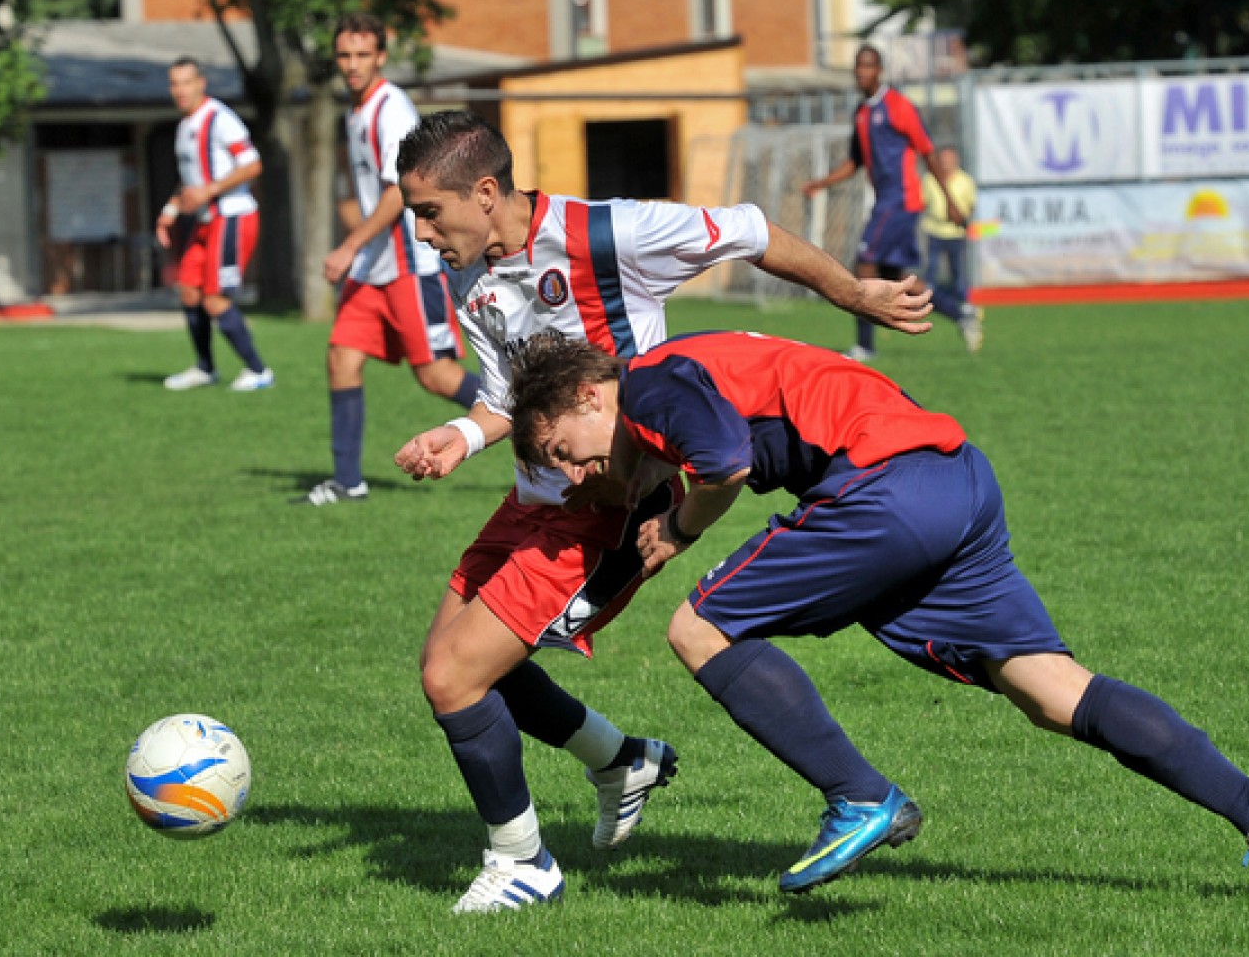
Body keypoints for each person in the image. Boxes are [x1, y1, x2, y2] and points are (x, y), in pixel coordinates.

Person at [505, 329, 1249, 905]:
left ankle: (859, 796)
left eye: (563, 450)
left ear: (588, 393)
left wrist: (681, 529)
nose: (574, 471)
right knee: (1049, 691)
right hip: (956, 476)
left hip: (884, 485)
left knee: (699, 628)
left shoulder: (650, 383)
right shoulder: (687, 372)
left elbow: (724, 460)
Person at [388, 110, 937, 913]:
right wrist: (461, 435)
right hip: (529, 496)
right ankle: (620, 760)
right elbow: (508, 393)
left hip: (606, 507)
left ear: (483, 191)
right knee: (452, 666)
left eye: (429, 212)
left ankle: (522, 864)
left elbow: (749, 230)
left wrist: (852, 293)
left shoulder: (607, 236)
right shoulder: (469, 269)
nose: (423, 232)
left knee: (455, 678)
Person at [294, 14, 482, 506]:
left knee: (437, 377)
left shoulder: (390, 109)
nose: (351, 65)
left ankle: (539, 419)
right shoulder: (355, 111)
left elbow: (400, 194)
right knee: (341, 359)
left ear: (380, 56)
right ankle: (348, 481)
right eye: (344, 55)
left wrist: (349, 244)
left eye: (361, 55)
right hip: (373, 268)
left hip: (406, 264)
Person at [802, 44, 983, 359]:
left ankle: (865, 346)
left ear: (880, 70)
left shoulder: (898, 106)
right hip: (886, 202)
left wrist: (951, 201)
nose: (862, 72)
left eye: (868, 66)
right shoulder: (862, 113)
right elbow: (854, 163)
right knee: (898, 279)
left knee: (864, 266)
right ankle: (961, 314)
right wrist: (821, 183)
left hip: (900, 201)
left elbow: (927, 150)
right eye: (858, 66)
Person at [156, 57, 274, 392]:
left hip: (233, 215)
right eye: (174, 83)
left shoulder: (219, 118)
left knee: (216, 300)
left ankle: (258, 370)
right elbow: (190, 181)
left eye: (186, 82)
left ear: (200, 83)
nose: (180, 90)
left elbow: (252, 165)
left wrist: (210, 190)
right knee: (189, 291)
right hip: (207, 219)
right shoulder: (185, 127)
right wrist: (171, 208)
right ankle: (205, 368)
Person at [921, 146, 980, 334]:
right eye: (942, 159)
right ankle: (926, 303)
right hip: (934, 230)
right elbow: (922, 201)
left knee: (958, 273)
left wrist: (960, 217)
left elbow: (971, 205)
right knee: (931, 272)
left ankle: (962, 305)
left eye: (948, 159)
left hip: (955, 232)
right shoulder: (930, 179)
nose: (945, 163)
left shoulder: (965, 180)